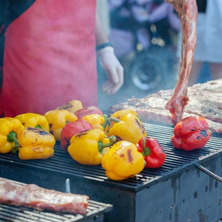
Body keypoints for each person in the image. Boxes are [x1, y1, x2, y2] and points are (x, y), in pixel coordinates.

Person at [0, 0, 124, 117]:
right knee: (28, 134)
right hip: (31, 67)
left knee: (88, 132)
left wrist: (104, 47)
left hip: (82, 65)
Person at [177, 0, 222, 86]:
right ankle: (181, 96)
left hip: (218, 15)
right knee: (188, 66)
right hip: (195, 15)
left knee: (218, 64)